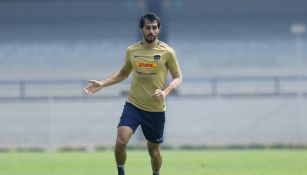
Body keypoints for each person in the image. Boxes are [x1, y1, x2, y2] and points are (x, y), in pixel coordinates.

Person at [83, 12, 182, 175]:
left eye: (154, 28)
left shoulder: (167, 52)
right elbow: (122, 74)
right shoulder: (132, 51)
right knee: (121, 141)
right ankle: (121, 172)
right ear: (141, 29)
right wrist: (102, 83)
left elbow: (178, 77)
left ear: (159, 30)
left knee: (154, 152)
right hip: (134, 105)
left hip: (155, 109)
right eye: (148, 28)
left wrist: (165, 92)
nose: (151, 31)